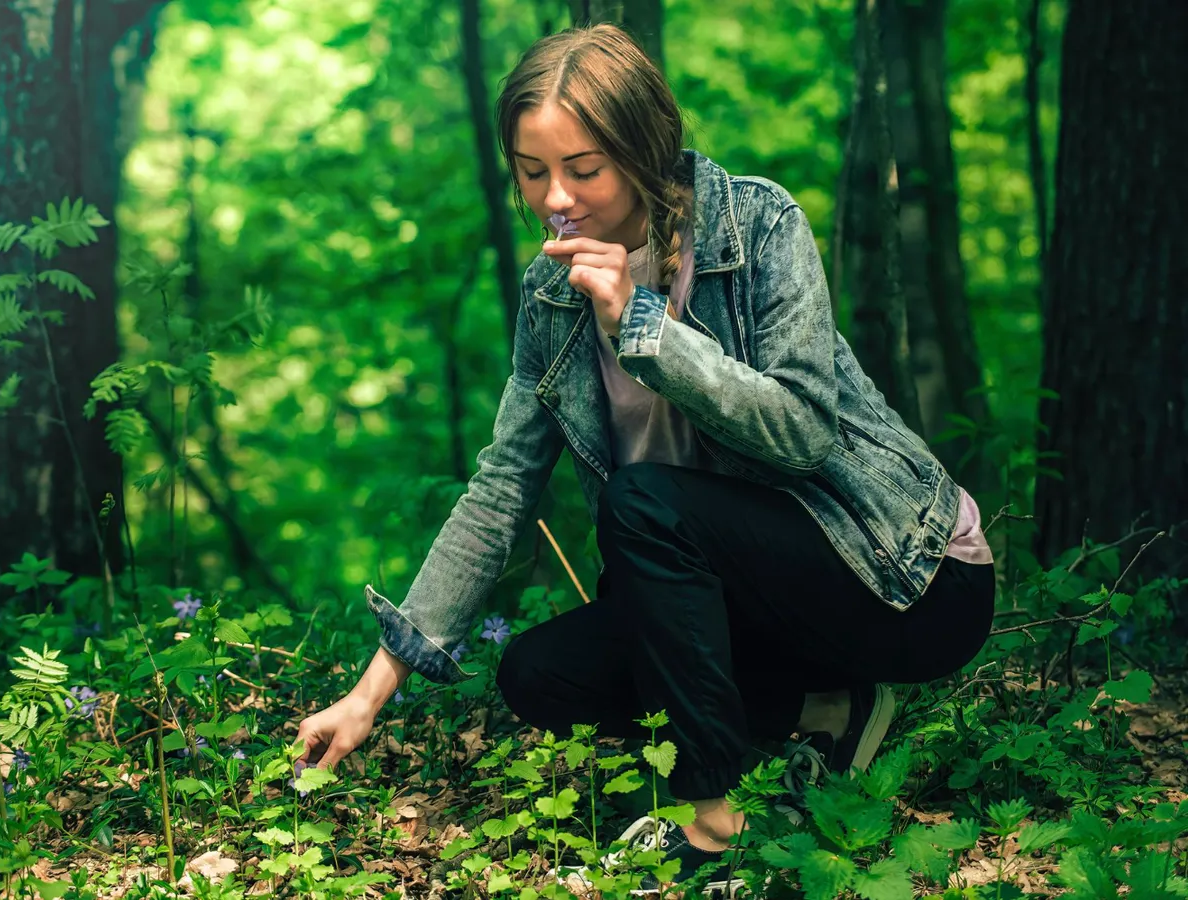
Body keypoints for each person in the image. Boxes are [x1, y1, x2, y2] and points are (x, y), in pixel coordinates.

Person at [295, 22, 996, 897]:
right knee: (539, 673)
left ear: (643, 149)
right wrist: (369, 695)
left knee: (643, 504)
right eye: (532, 169)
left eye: (583, 169)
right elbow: (502, 487)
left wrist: (645, 326)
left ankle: (713, 816)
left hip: (908, 581)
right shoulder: (550, 294)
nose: (556, 197)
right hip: (759, 599)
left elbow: (806, 429)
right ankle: (832, 708)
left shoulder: (759, 223)